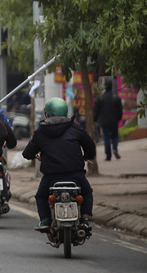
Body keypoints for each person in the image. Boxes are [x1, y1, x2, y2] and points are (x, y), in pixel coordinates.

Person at [22, 97, 95, 232]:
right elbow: (90, 145)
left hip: (51, 176)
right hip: (75, 174)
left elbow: (27, 153)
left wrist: (33, 155)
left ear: (47, 113)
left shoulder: (41, 131)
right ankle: (85, 219)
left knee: (41, 196)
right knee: (87, 192)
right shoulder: (75, 127)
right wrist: (88, 156)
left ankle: (45, 220)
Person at [93, 78, 123, 161]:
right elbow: (120, 110)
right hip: (114, 121)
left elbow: (96, 110)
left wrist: (95, 119)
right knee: (115, 136)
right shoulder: (116, 98)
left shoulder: (100, 98)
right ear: (112, 87)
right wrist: (119, 118)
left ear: (104, 87)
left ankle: (108, 156)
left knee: (106, 138)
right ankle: (115, 149)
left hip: (104, 121)